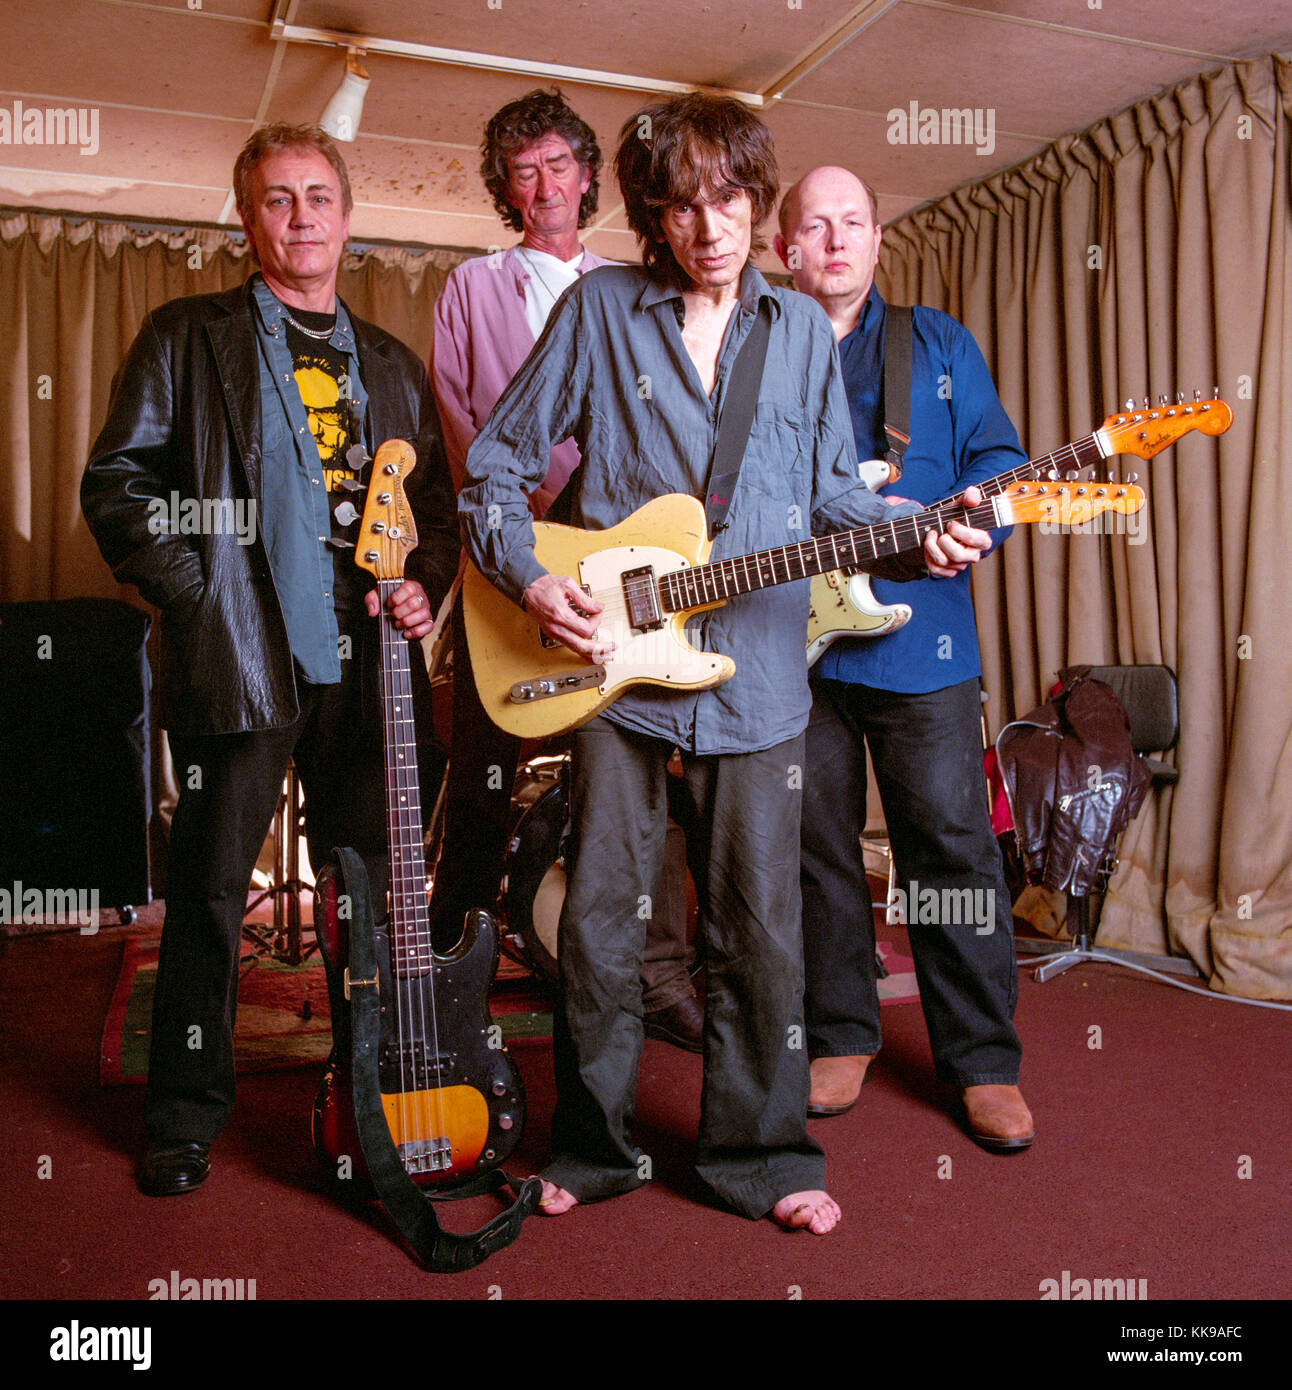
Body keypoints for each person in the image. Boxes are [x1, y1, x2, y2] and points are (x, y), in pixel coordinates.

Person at [459, 95, 993, 1234]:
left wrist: (918, 529)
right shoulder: (601, 308)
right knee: (601, 915)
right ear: (652, 213)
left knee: (757, 921)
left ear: (759, 203)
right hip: (613, 664)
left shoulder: (799, 331)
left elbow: (827, 498)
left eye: (731, 201)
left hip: (753, 669)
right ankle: (594, 1146)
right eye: (683, 205)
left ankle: (756, 1153)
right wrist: (532, 580)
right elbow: (491, 472)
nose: (711, 227)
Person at [81, 123, 457, 1196]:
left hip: (371, 665)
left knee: (368, 890)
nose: (300, 217)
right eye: (277, 199)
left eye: (317, 197)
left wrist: (424, 575)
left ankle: (373, 1087)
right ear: (246, 220)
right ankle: (185, 1112)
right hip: (240, 653)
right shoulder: (183, 336)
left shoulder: (388, 362)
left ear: (347, 217)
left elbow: (431, 509)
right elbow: (119, 484)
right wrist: (201, 598)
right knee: (205, 891)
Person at [429, 89, 701, 1050]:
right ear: (506, 188)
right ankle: (447, 973)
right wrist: (531, 545)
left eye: (557, 165)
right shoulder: (472, 287)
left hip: (626, 575)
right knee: (482, 778)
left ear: (589, 176)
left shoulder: (636, 287)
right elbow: (467, 432)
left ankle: (646, 978)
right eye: (522, 171)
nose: (542, 185)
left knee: (631, 776)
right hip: (518, 566)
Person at [775, 165, 1033, 1150]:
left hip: (919, 646)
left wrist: (974, 528)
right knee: (813, 850)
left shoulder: (934, 344)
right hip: (788, 647)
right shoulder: (754, 354)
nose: (836, 241)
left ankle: (981, 1060)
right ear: (783, 249)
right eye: (814, 226)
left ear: (877, 239)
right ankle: (840, 1031)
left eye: (853, 222)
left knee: (947, 851)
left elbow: (999, 466)